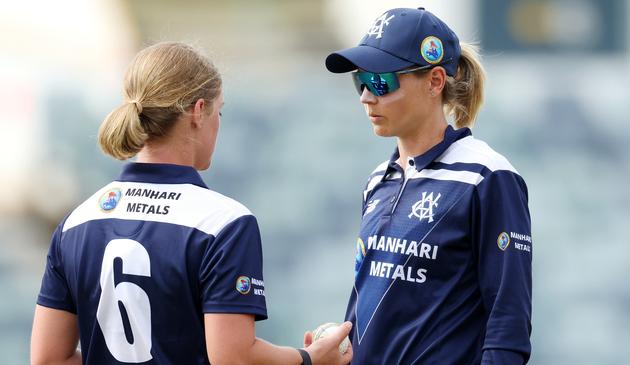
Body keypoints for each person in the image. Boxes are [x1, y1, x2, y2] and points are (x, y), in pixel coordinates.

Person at [31, 41, 353, 365]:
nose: (219, 123)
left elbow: (47, 359)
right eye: (219, 110)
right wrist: (309, 358)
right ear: (199, 112)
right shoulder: (224, 223)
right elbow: (232, 357)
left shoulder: (76, 222)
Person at [324, 7, 532, 365]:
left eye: (381, 81)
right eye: (361, 80)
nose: (366, 97)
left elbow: (508, 323)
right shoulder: (377, 181)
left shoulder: (487, 176)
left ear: (435, 81)